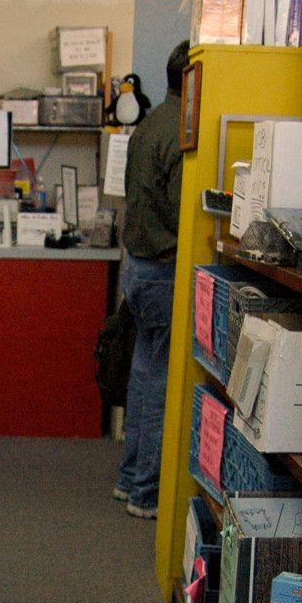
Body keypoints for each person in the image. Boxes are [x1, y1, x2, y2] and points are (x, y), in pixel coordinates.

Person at [112, 41, 190, 521]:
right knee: (159, 384)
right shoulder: (182, 131)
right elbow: (184, 214)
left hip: (138, 267)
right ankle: (146, 492)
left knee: (143, 377)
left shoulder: (150, 124)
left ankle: (129, 479)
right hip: (164, 270)